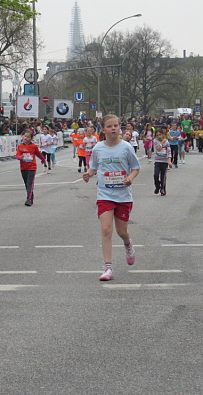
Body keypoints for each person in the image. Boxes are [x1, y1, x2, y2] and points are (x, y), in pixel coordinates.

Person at [82, 114, 140, 281]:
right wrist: (88, 174)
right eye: (109, 126)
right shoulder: (98, 148)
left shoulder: (126, 147)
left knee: (121, 231)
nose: (113, 128)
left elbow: (135, 168)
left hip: (123, 195)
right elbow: (93, 167)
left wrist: (130, 178)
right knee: (106, 229)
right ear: (103, 129)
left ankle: (128, 244)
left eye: (116, 125)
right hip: (105, 194)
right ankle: (108, 267)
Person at [15, 131, 47, 206]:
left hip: (32, 167)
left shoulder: (33, 146)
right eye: (25, 136)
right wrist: (20, 157)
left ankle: (28, 199)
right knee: (26, 183)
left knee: (30, 183)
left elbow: (39, 154)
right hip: (23, 167)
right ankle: (31, 196)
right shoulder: (20, 146)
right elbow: (17, 155)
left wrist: (43, 160)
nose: (26, 138)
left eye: (28, 137)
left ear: (31, 138)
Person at [153, 129, 173, 196]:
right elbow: (158, 148)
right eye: (157, 135)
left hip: (164, 161)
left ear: (163, 134)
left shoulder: (167, 142)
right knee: (156, 175)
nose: (159, 136)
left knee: (163, 176)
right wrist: (161, 143)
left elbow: (169, 152)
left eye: (160, 135)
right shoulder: (155, 141)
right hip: (157, 161)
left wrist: (169, 161)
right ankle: (157, 186)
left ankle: (163, 189)